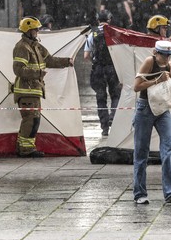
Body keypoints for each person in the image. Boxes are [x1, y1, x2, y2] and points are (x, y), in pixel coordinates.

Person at [12, 17, 74, 157]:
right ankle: (25, 150)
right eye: (35, 29)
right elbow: (18, 70)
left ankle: (27, 147)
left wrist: (67, 61)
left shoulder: (36, 46)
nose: (37, 32)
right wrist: (38, 73)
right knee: (30, 120)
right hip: (26, 91)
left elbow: (49, 60)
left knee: (34, 120)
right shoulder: (22, 47)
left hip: (34, 90)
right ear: (28, 31)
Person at [132, 40, 171, 204]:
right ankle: (140, 193)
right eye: (164, 55)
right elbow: (137, 86)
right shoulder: (149, 62)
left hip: (162, 109)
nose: (166, 59)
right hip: (145, 108)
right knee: (141, 152)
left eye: (169, 55)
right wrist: (156, 80)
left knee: (170, 148)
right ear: (156, 53)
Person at [84, 10, 121, 137]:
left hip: (98, 69)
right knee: (115, 95)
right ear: (109, 19)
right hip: (112, 68)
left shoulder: (92, 33)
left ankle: (104, 127)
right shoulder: (114, 33)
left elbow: (86, 55)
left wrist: (95, 61)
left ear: (98, 20)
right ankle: (113, 117)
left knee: (101, 98)